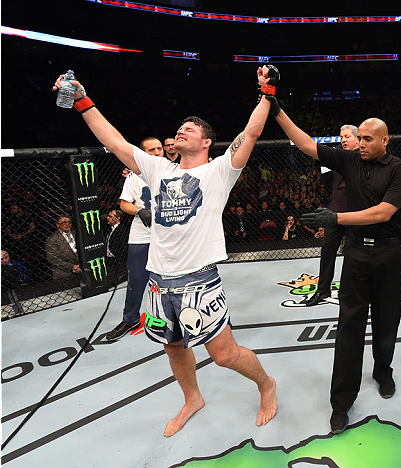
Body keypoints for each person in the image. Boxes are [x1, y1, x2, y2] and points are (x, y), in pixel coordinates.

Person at [53, 66, 278, 436]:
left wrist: (266, 91)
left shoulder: (220, 171)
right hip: (159, 281)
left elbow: (251, 131)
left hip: (199, 281)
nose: (181, 130)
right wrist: (82, 101)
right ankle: (192, 399)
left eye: (191, 128)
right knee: (173, 348)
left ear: (207, 142)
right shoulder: (158, 168)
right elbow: (116, 142)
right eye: (180, 127)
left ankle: (266, 384)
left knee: (224, 355)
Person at [268, 87, 401, 434]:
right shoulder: (349, 160)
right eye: (357, 138)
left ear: (384, 140)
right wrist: (276, 111)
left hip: (391, 253)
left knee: (387, 318)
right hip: (358, 255)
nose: (359, 143)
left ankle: (383, 371)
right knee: (349, 326)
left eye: (366, 138)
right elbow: (306, 144)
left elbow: (383, 213)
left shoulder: (400, 170)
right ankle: (341, 401)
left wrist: (336, 219)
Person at [104, 138, 160, 342]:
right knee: (136, 279)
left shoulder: (172, 171)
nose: (156, 152)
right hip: (141, 235)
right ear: (143, 153)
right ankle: (130, 319)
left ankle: (177, 317)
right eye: (151, 150)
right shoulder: (135, 176)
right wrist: (140, 210)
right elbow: (123, 204)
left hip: (167, 236)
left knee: (172, 278)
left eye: (159, 149)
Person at [305, 124, 357, 307]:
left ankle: (353, 290)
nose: (343, 140)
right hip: (334, 211)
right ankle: (322, 290)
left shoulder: (363, 157)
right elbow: (326, 180)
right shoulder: (334, 156)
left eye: (347, 137)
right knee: (327, 251)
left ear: (357, 139)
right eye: (341, 137)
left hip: (356, 213)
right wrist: (325, 159)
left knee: (354, 253)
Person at [45, 214, 81, 283]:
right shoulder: (52, 239)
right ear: (58, 225)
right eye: (64, 223)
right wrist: (72, 267)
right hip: (64, 273)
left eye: (69, 222)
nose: (67, 224)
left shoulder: (76, 234)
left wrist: (80, 265)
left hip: (80, 269)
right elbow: (53, 259)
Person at [104, 209, 128, 283]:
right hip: (109, 260)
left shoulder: (122, 230)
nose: (108, 218)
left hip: (118, 261)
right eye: (108, 216)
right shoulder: (109, 229)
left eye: (110, 216)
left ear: (118, 218)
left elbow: (124, 247)